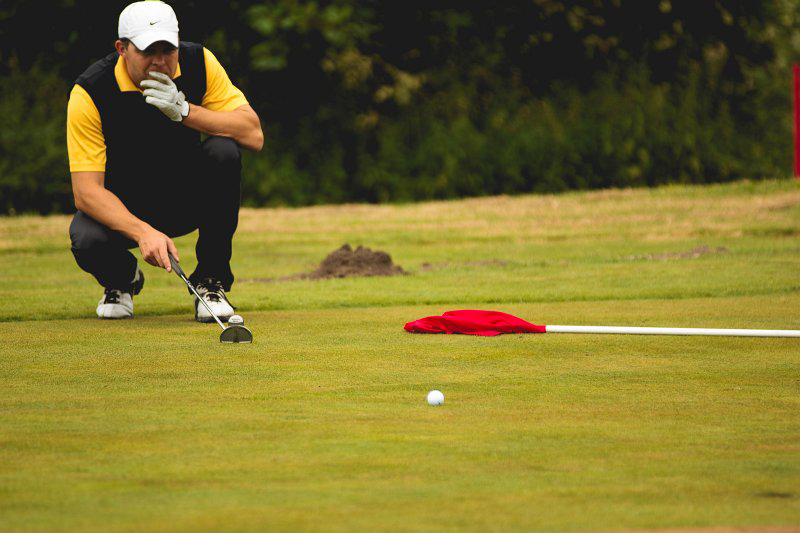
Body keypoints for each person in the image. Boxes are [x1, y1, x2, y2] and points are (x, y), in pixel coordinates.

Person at [66, 0, 263, 322]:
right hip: (124, 204)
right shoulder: (91, 91)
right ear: (122, 49)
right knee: (86, 238)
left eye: (168, 50)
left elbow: (253, 135)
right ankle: (123, 280)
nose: (159, 61)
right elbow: (86, 192)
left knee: (223, 152)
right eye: (148, 51)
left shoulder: (199, 62)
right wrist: (142, 232)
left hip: (185, 199)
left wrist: (185, 111)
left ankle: (210, 281)